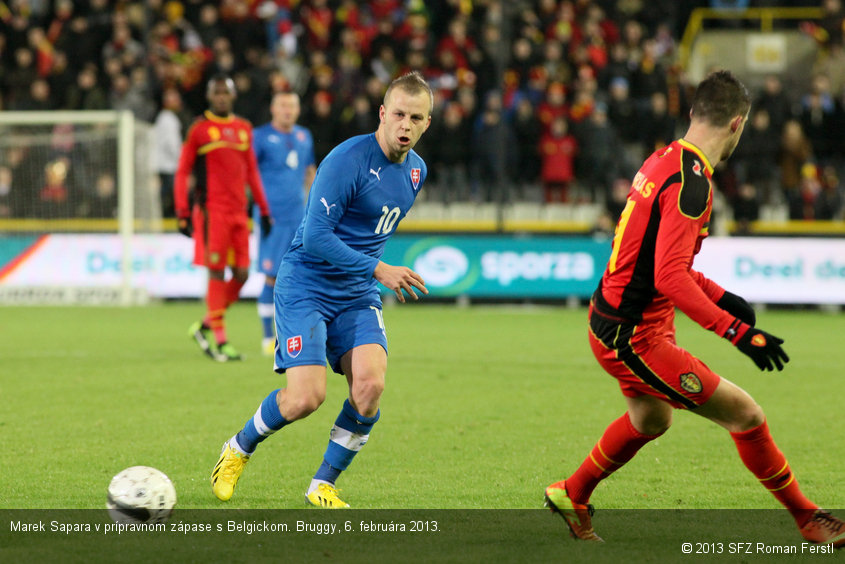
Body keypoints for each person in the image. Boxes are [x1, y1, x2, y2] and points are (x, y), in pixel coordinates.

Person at [544, 70, 845, 547]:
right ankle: (811, 520)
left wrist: (723, 297)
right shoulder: (694, 184)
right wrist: (737, 332)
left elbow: (662, 263)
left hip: (619, 319)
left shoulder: (663, 159)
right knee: (746, 415)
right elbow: (669, 276)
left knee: (651, 420)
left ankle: (572, 493)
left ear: (693, 113)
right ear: (737, 125)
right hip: (633, 336)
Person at [210, 71, 432, 508]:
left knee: (369, 387)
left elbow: (369, 232)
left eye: (417, 118)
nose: (406, 125)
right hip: (306, 284)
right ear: (383, 113)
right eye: (400, 114)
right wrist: (379, 269)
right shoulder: (346, 161)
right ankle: (238, 447)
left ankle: (323, 484)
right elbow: (315, 237)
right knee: (305, 398)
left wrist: (369, 274)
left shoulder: (416, 172)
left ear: (427, 124)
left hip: (356, 292)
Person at [174, 74, 273, 362]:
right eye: (216, 93)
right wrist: (182, 212)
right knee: (216, 272)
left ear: (232, 96)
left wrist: (264, 209)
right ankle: (220, 341)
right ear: (209, 96)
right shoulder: (200, 130)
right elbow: (183, 172)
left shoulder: (243, 129)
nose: (221, 97)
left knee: (242, 274)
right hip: (211, 212)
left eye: (225, 93)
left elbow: (252, 171)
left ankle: (206, 324)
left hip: (239, 212)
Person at [252, 92, 316, 356]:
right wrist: (256, 208)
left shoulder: (304, 136)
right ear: (273, 108)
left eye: (292, 106)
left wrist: (313, 206)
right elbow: (249, 173)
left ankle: (293, 334)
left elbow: (310, 170)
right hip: (272, 217)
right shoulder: (260, 137)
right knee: (272, 275)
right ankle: (268, 338)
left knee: (298, 276)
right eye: (283, 105)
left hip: (298, 216)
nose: (287, 110)